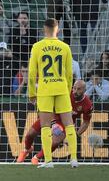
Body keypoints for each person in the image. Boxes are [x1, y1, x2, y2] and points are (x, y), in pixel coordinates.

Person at [28, 18, 77, 168]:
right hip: (62, 89)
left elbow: (31, 73)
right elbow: (70, 74)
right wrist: (67, 90)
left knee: (45, 126)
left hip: (45, 90)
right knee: (69, 124)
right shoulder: (65, 47)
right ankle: (74, 159)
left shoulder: (37, 47)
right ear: (58, 30)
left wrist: (32, 93)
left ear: (44, 30)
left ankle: (48, 161)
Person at [17, 80, 93, 165]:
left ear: (84, 90)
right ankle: (26, 149)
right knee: (30, 134)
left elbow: (86, 122)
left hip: (65, 123)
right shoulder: (66, 93)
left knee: (56, 141)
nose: (75, 91)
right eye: (74, 88)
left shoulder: (88, 105)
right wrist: (53, 123)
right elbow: (51, 105)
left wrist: (76, 135)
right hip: (51, 116)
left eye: (79, 89)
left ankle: (36, 157)